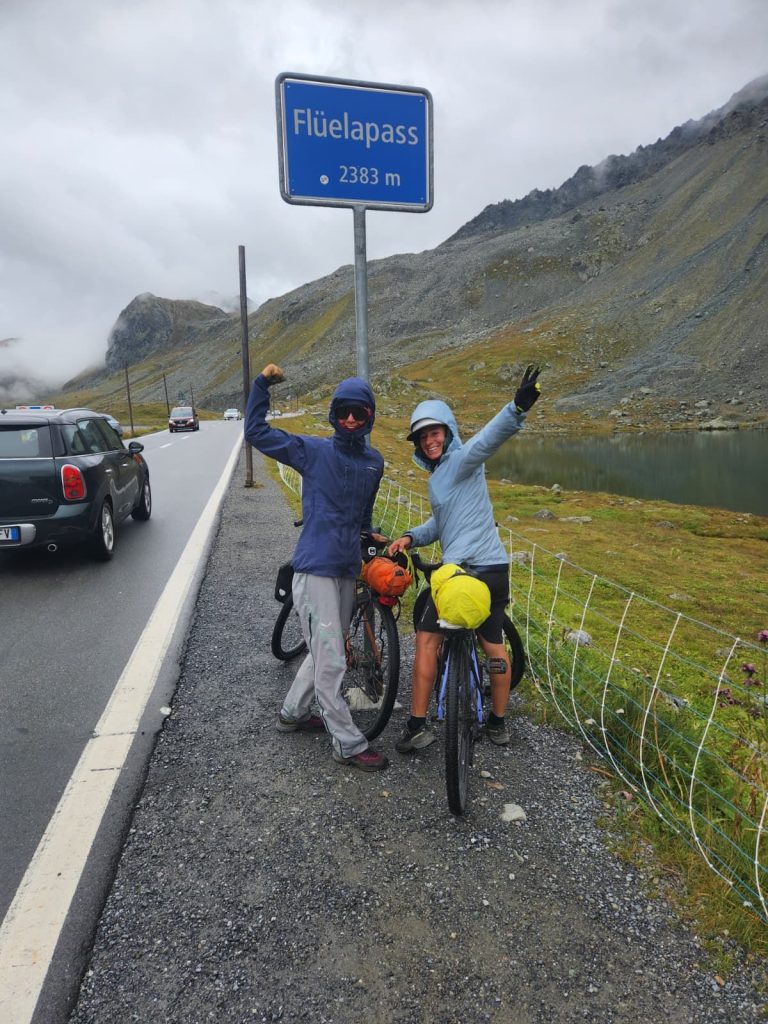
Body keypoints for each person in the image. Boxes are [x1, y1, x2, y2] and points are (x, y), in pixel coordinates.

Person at [388, 365, 542, 754]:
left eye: (435, 433)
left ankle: (418, 725)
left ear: (449, 432)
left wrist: (517, 408)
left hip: (459, 572)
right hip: (494, 570)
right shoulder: (443, 476)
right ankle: (498, 722)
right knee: (493, 643)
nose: (429, 441)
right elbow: (441, 524)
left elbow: (487, 440)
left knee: (426, 641)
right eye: (423, 437)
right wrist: (411, 535)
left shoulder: (460, 460)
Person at [244, 363, 389, 772]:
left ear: (368, 417)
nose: (349, 419)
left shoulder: (374, 463)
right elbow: (255, 433)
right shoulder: (313, 450)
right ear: (333, 412)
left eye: (358, 413)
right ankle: (346, 742)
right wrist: (262, 386)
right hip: (313, 572)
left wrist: (370, 534)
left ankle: (293, 713)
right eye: (343, 411)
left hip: (347, 569)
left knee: (325, 651)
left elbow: (363, 512)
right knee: (333, 660)